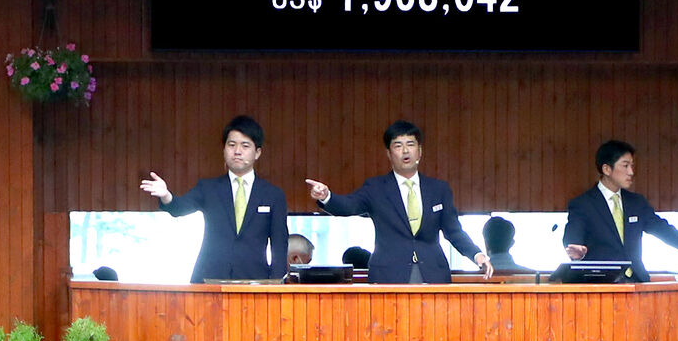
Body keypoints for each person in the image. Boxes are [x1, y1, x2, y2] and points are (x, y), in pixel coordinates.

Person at [306, 120, 493, 283]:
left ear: (419, 152)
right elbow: (349, 205)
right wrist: (326, 196)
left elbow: (454, 231)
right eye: (398, 145)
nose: (405, 150)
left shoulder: (439, 189)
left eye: (410, 144)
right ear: (389, 153)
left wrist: (477, 255)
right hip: (388, 274)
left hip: (433, 273)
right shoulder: (376, 188)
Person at [563, 140, 678, 282]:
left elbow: (667, 232)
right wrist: (575, 250)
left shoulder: (636, 203)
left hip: (638, 283)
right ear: (606, 169)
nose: (631, 172)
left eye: (632, 165)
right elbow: (573, 234)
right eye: (625, 165)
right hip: (601, 287)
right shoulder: (583, 203)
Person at [140, 115, 288, 282]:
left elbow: (279, 246)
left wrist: (277, 285)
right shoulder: (208, 188)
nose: (237, 151)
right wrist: (166, 195)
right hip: (209, 278)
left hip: (255, 280)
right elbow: (178, 208)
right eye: (231, 145)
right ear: (224, 149)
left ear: (257, 152)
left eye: (245, 146)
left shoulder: (273, 195)